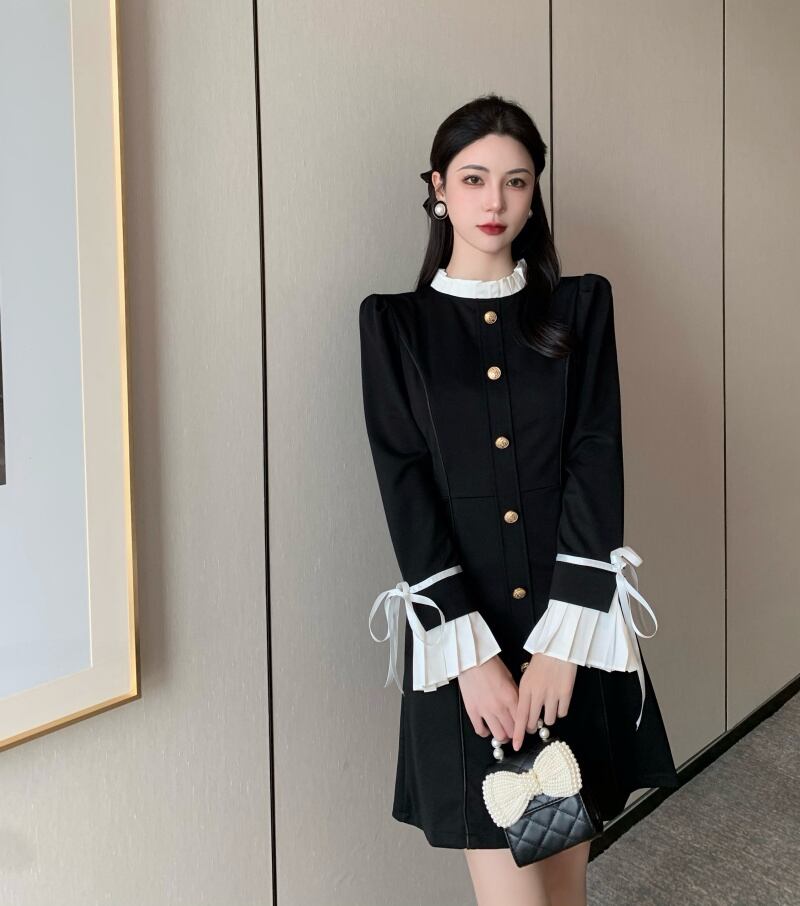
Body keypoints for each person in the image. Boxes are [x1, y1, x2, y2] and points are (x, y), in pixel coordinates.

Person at [359, 93, 679, 906]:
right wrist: (472, 662)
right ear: (439, 188)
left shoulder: (580, 307)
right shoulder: (395, 327)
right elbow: (405, 485)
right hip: (464, 650)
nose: (494, 201)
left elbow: (594, 460)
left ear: (535, 194)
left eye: (515, 180)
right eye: (473, 179)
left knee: (565, 888)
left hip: (568, 637)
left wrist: (563, 648)